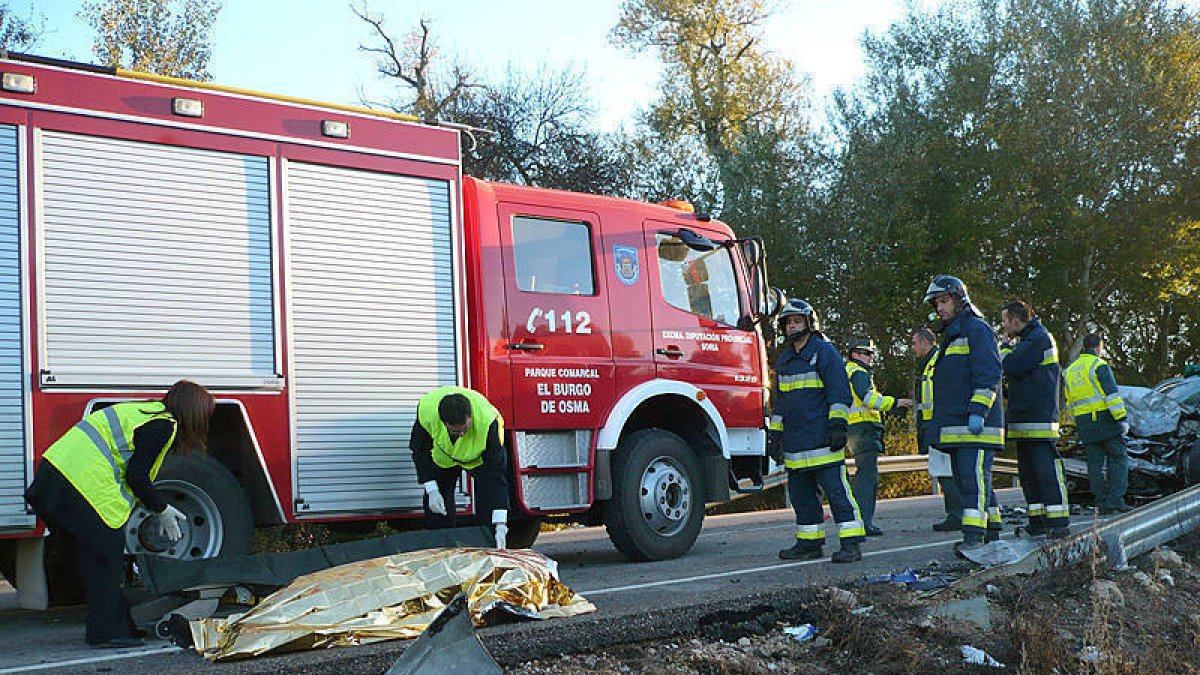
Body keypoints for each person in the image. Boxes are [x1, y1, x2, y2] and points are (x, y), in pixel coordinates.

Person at [24, 380, 214, 648]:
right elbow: (136, 475)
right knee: (106, 558)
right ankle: (104, 634)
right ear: (194, 413)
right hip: (76, 486)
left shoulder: (143, 413)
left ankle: (121, 626)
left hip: (52, 480)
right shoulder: (163, 426)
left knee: (99, 559)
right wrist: (161, 509)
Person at [768, 299, 865, 563]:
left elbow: (839, 393)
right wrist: (775, 435)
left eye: (797, 321)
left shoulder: (824, 352)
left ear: (810, 323)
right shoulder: (786, 360)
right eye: (787, 323)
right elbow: (779, 403)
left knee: (838, 494)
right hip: (796, 444)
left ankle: (851, 543)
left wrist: (837, 426)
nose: (791, 327)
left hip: (823, 440)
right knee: (802, 499)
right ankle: (809, 543)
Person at [923, 275, 1004, 554]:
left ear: (960, 299)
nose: (940, 309)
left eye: (944, 301)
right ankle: (992, 533)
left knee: (973, 482)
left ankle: (973, 538)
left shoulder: (976, 330)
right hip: (958, 427)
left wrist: (978, 411)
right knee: (975, 482)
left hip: (975, 427)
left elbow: (988, 375)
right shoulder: (955, 334)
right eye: (936, 304)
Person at [1000, 300, 1070, 538]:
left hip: (1038, 418)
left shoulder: (1039, 338)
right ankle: (1038, 521)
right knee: (1029, 474)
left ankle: (1059, 522)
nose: (1003, 326)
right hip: (1024, 417)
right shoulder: (1028, 340)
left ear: (1016, 319)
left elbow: (1012, 365)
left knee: (1046, 470)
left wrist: (1003, 347)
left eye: (1004, 320)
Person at [409, 386, 510, 547]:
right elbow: (419, 450)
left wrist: (500, 523)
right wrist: (431, 488)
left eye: (465, 429)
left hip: (479, 460)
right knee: (437, 509)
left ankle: (490, 547)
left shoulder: (489, 423)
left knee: (488, 504)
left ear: (470, 416)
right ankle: (441, 550)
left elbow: (496, 477)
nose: (462, 435)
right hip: (444, 457)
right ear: (444, 423)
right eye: (456, 431)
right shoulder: (427, 412)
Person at [844, 337, 912, 537]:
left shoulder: (851, 371)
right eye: (867, 354)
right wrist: (895, 402)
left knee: (865, 476)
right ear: (855, 354)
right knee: (867, 478)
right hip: (863, 430)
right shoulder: (858, 372)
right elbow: (868, 399)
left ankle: (860, 521)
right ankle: (864, 523)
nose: (871, 358)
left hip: (857, 429)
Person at [1063, 333, 1132, 514]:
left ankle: (1100, 502)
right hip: (1104, 420)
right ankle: (1115, 500)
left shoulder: (1070, 370)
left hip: (1084, 424)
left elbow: (1069, 403)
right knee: (1118, 458)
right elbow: (1112, 397)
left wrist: (1078, 421)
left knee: (1094, 464)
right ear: (1098, 347)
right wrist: (1121, 419)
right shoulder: (1098, 365)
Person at [911, 326, 963, 531]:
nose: (913, 348)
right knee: (944, 471)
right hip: (935, 426)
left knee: (945, 471)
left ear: (926, 342)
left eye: (915, 343)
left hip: (939, 427)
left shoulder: (936, 362)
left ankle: (956, 514)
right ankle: (956, 513)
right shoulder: (930, 364)